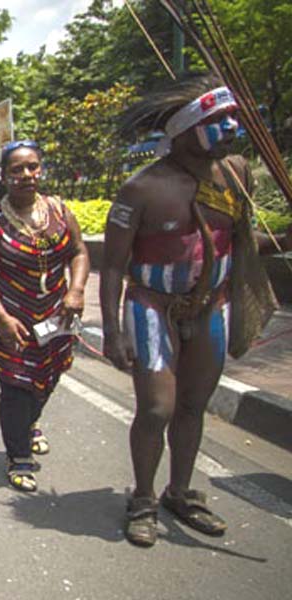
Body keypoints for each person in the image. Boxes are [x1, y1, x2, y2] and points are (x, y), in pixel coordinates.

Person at [101, 76, 292, 547]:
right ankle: (143, 498)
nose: (230, 128)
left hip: (212, 305)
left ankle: (180, 492)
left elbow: (246, 243)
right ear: (183, 130)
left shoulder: (235, 175)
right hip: (152, 308)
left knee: (192, 405)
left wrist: (286, 240)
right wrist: (112, 331)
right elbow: (112, 268)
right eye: (215, 121)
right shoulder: (141, 189)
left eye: (230, 118)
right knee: (157, 407)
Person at [0, 140, 90, 493]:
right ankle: (18, 456)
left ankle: (31, 423)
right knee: (17, 387)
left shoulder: (60, 211)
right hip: (9, 322)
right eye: (17, 169)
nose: (26, 175)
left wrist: (77, 290)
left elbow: (79, 253)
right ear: (4, 176)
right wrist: (3, 318)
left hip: (56, 316)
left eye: (32, 167)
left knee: (48, 378)